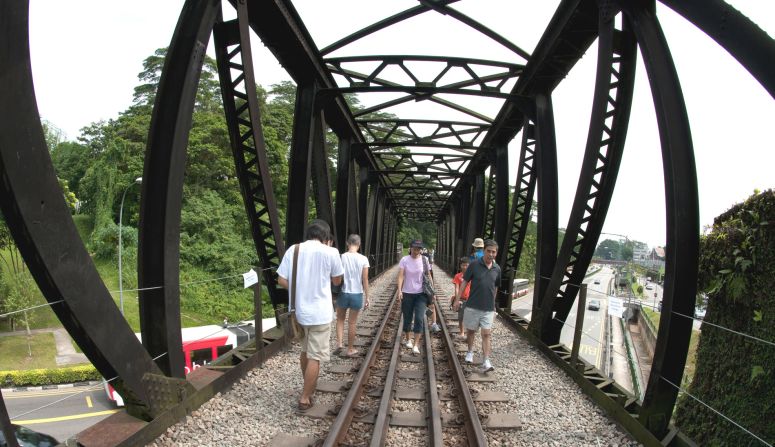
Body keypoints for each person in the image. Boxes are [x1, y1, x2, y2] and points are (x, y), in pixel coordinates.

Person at [277, 219, 344, 411]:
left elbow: (281, 279)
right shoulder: (331, 252)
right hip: (320, 313)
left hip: (299, 312)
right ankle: (305, 397)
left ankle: (308, 386)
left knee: (305, 352)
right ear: (326, 238)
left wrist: (299, 289)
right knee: (315, 356)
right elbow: (337, 281)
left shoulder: (294, 250)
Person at [455, 239, 501, 373]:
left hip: (488, 308)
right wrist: (457, 299)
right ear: (484, 251)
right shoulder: (474, 265)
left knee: (486, 334)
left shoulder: (497, 268)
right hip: (473, 305)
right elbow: (464, 283)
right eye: (489, 251)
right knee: (471, 331)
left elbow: (496, 287)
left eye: (494, 252)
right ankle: (470, 351)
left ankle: (486, 360)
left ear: (496, 253)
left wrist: (493, 304)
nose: (491, 254)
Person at [397, 239, 435, 354]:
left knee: (419, 318)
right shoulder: (404, 260)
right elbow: (400, 276)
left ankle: (416, 344)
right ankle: (408, 339)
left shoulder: (425, 260)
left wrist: (433, 292)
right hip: (407, 293)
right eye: (414, 248)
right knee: (407, 317)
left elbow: (429, 276)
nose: (416, 250)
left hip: (421, 294)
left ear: (421, 249)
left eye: (418, 248)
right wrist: (399, 290)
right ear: (410, 248)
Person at [335, 234, 370, 357]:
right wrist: (368, 297)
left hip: (344, 293)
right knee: (352, 322)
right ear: (359, 245)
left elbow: (337, 276)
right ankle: (350, 349)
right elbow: (365, 279)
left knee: (340, 319)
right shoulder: (363, 259)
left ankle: (339, 343)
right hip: (357, 294)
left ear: (347, 243)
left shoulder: (341, 257)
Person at [450, 256, 471, 338]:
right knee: (461, 316)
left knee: (470, 317)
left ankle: (469, 333)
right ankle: (462, 332)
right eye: (463, 265)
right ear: (460, 266)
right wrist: (456, 299)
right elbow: (456, 288)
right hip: (461, 299)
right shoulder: (458, 276)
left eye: (466, 265)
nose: (465, 267)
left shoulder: (472, 276)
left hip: (470, 299)